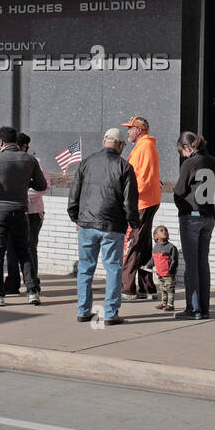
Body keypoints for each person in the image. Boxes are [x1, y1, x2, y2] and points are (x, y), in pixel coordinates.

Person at [68, 127, 139, 326]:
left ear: (104, 142)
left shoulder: (87, 162)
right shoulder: (124, 166)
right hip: (112, 225)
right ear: (121, 145)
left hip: (86, 224)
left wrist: (76, 218)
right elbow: (129, 202)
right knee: (114, 269)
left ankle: (83, 311)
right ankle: (110, 314)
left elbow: (74, 194)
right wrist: (134, 225)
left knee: (85, 269)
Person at [0, 126, 47, 307]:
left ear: (1, 142)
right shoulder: (29, 159)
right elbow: (41, 185)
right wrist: (24, 183)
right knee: (24, 251)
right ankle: (33, 291)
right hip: (21, 211)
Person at [172, 131, 215, 320]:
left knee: (191, 265)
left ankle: (193, 309)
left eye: (181, 151)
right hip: (209, 216)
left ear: (187, 147)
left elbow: (180, 190)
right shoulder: (213, 161)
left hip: (191, 216)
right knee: (202, 264)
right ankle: (204, 307)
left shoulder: (189, 163)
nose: (182, 155)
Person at [121, 115, 161, 301]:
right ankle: (147, 288)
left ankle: (127, 289)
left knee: (133, 243)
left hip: (142, 203)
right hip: (146, 201)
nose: (128, 131)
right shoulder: (145, 145)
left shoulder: (144, 146)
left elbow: (141, 179)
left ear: (139, 130)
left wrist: (128, 200)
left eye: (130, 128)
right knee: (143, 245)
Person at [152, 226, 179, 312]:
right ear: (156, 236)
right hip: (160, 273)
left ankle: (170, 304)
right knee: (162, 288)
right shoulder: (155, 247)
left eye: (166, 230)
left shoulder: (171, 247)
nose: (165, 232)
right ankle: (164, 303)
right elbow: (153, 259)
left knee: (170, 289)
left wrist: (171, 271)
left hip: (169, 273)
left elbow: (174, 260)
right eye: (161, 230)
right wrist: (148, 265)